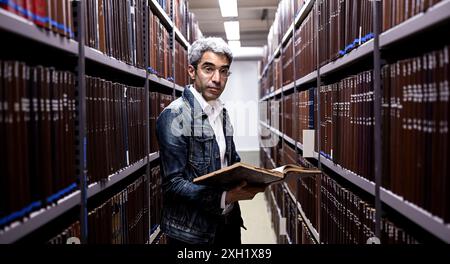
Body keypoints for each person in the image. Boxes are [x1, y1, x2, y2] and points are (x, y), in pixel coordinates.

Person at [156, 37, 265, 245]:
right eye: (208, 69)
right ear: (191, 71)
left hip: (229, 224)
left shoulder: (221, 112)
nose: (217, 78)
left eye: (224, 71)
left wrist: (255, 177)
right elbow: (173, 185)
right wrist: (225, 197)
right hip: (194, 234)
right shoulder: (174, 116)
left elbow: (229, 161)